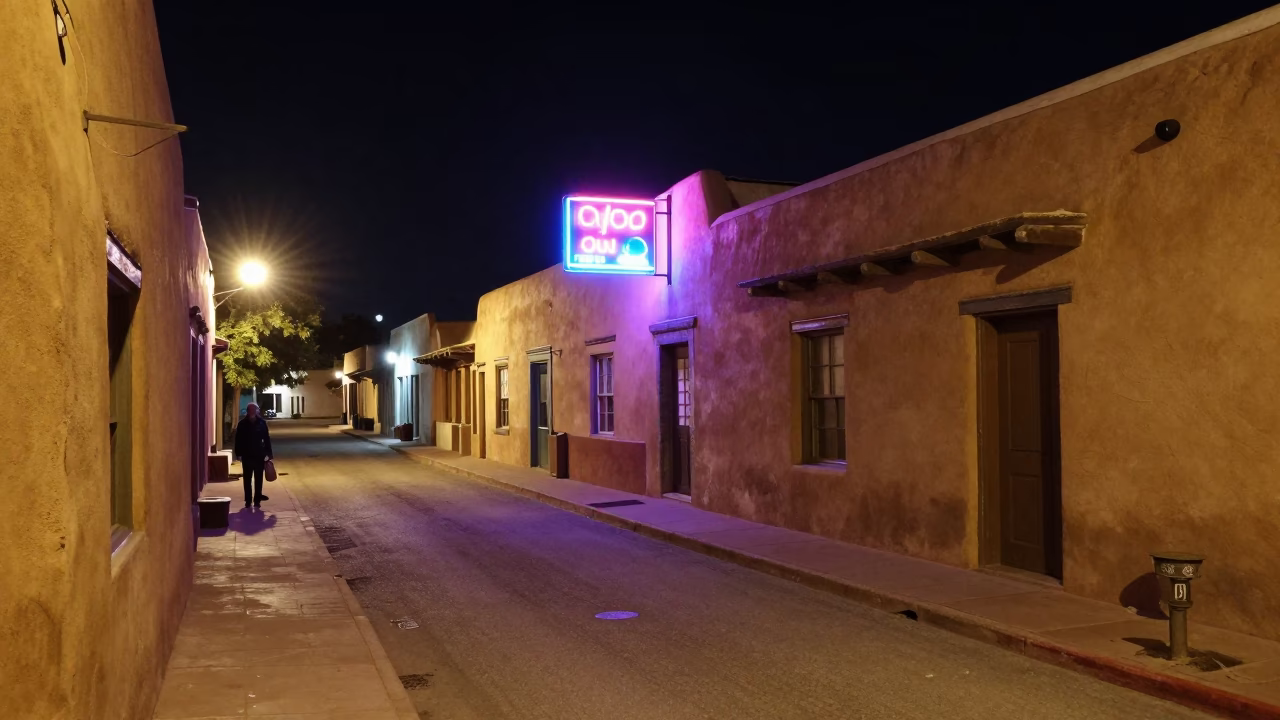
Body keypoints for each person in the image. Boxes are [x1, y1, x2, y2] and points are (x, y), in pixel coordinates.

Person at [233, 402, 274, 508]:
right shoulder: (242, 424)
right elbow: (238, 440)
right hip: (247, 455)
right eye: (250, 410)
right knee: (247, 478)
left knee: (259, 478)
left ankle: (257, 499)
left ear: (257, 411)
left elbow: (266, 439)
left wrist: (269, 454)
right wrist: (238, 454)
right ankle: (248, 500)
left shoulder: (262, 423)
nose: (252, 412)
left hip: (259, 454)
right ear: (248, 411)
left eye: (254, 410)